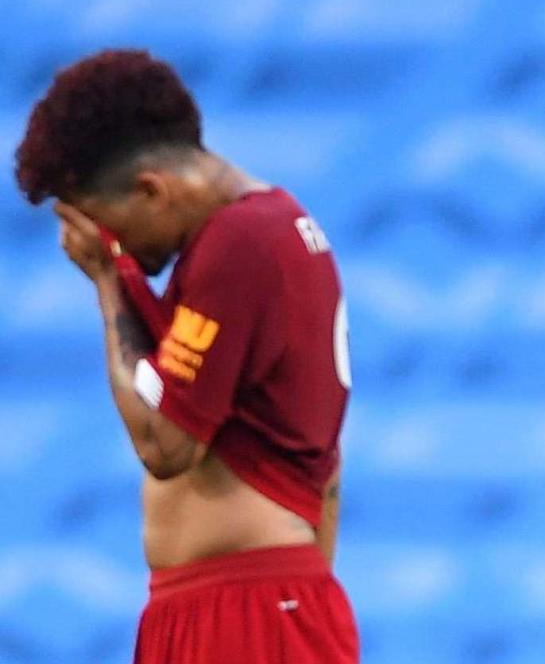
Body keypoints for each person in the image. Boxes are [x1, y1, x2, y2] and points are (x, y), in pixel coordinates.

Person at [15, 49, 359, 663]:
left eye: (104, 225)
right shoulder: (259, 235)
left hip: (249, 609)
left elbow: (166, 446)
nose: (106, 243)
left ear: (150, 189)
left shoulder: (239, 244)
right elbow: (323, 467)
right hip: (242, 603)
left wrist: (106, 277)